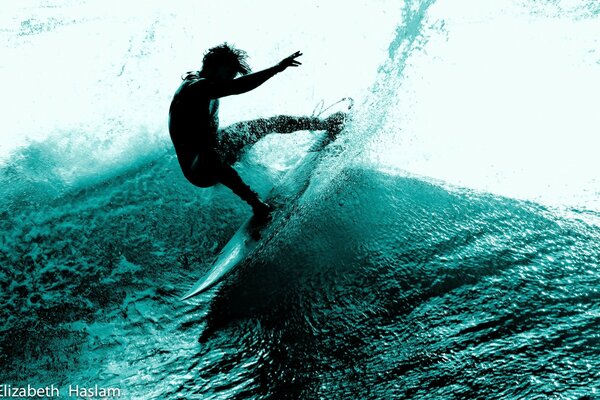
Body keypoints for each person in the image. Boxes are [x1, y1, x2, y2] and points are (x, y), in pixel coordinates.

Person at [168, 43, 345, 220]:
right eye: (229, 74)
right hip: (199, 170)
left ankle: (324, 124)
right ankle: (256, 204)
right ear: (217, 68)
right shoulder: (195, 87)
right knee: (211, 155)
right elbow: (237, 87)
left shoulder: (202, 81)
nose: (231, 79)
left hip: (216, 146)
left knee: (265, 124)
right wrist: (276, 68)